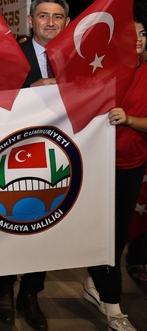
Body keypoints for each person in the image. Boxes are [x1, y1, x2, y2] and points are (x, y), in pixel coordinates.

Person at [0, 0, 71, 331]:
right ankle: (3, 290)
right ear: (30, 19)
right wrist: (30, 90)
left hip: (61, 155)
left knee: (48, 223)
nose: (50, 22)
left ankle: (31, 293)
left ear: (67, 22)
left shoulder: (80, 57)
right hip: (16, 156)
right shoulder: (12, 55)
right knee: (15, 221)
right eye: (43, 16)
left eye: (57, 16)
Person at [82, 17, 147, 331]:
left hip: (130, 165)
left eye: (143, 34)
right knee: (99, 233)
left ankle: (99, 284)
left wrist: (130, 119)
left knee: (117, 235)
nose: (138, 39)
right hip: (95, 164)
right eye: (130, 34)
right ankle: (112, 304)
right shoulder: (101, 72)